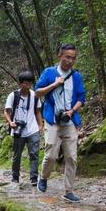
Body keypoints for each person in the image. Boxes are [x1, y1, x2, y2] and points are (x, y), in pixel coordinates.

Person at [34, 44, 86, 203]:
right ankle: (43, 178)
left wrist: (72, 112)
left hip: (69, 119)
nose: (70, 61)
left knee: (71, 156)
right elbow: (37, 92)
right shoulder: (49, 73)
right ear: (60, 56)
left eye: (73, 58)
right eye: (67, 57)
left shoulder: (76, 76)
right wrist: (55, 84)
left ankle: (69, 190)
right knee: (51, 154)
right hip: (51, 119)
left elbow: (81, 98)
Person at [4, 70, 42, 184]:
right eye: (25, 83)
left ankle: (34, 178)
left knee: (34, 154)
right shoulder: (13, 95)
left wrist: (40, 125)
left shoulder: (35, 95)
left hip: (32, 129)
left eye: (29, 83)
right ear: (20, 83)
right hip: (18, 130)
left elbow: (37, 111)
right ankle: (15, 177)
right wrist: (10, 122)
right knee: (17, 155)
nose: (27, 86)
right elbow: (6, 111)